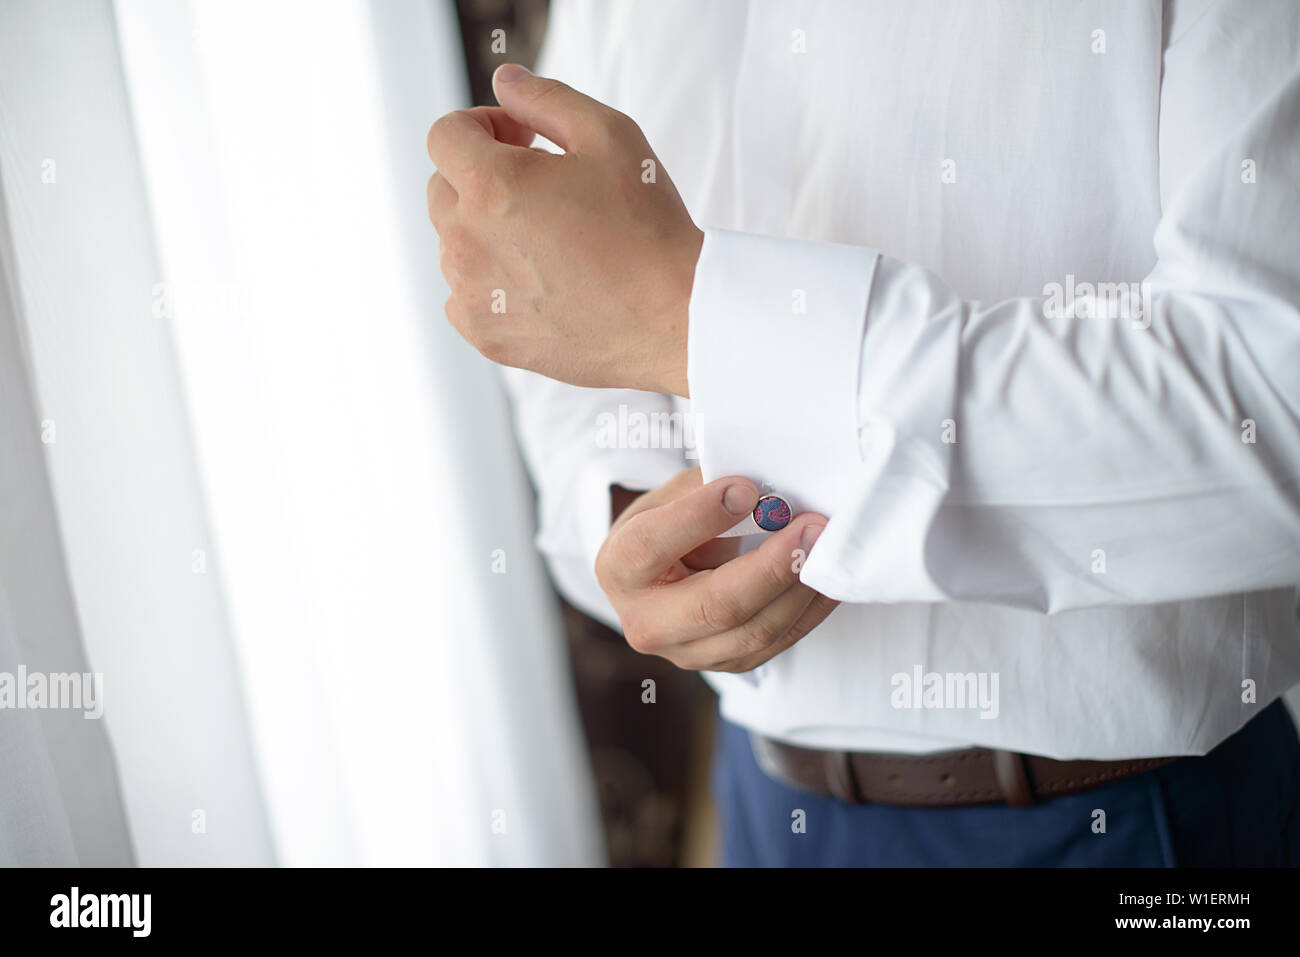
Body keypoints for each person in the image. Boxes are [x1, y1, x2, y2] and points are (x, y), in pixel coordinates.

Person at [426, 0, 1300, 865]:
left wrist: (687, 318)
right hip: (766, 804)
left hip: (1133, 827)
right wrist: (626, 520)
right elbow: (571, 345)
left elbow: (1271, 399)